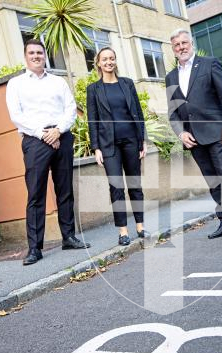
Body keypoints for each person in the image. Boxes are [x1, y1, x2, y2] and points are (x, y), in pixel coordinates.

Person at [6, 39, 90, 265]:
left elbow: (70, 109)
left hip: (61, 137)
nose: (36, 56)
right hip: (35, 140)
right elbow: (17, 115)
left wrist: (58, 131)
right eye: (32, 53)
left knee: (65, 190)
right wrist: (43, 133)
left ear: (45, 56)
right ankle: (35, 248)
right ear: (25, 57)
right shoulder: (16, 84)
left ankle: (69, 237)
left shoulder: (58, 82)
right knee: (35, 194)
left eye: (39, 53)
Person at [165, 29, 222, 241]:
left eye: (184, 43)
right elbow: (173, 111)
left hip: (217, 133)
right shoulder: (170, 77)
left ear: (191, 43)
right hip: (193, 139)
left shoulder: (209, 64)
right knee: (213, 181)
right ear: (173, 49)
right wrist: (181, 133)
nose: (181, 47)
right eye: (177, 45)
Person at [86, 47, 149, 246]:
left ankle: (140, 226)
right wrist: (96, 147)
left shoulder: (127, 84)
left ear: (115, 61)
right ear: (98, 63)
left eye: (111, 58)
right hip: (108, 145)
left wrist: (142, 140)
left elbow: (138, 113)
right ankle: (123, 231)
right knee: (116, 187)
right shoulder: (94, 89)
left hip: (131, 141)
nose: (108, 62)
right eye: (104, 59)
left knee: (135, 185)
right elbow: (92, 120)